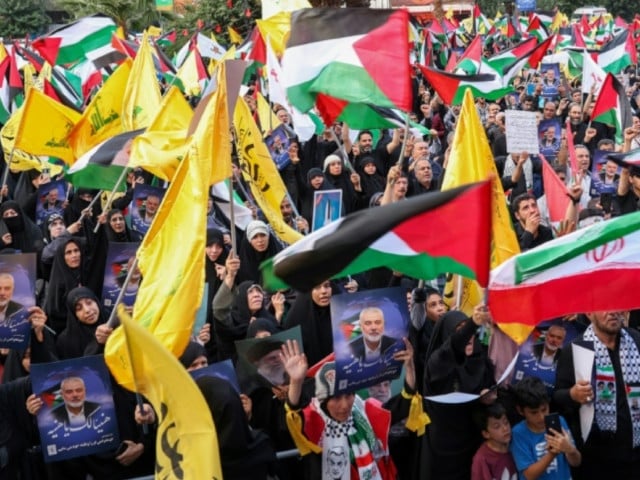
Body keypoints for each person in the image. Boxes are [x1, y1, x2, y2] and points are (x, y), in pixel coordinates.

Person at [282, 337, 424, 480]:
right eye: (336, 398)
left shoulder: (364, 411)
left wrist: (409, 366)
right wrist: (296, 382)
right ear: (323, 400)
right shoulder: (314, 422)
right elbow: (294, 416)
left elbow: (404, 402)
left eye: (349, 395)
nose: (344, 405)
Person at [554, 310, 640, 478]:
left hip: (636, 451)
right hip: (597, 456)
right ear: (589, 313)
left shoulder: (636, 340)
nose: (613, 312)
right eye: (605, 308)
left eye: (617, 306)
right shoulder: (575, 349)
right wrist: (573, 394)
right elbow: (557, 396)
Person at [510, 376, 581, 479]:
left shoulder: (559, 421)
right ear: (521, 411)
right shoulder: (518, 433)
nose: (541, 417)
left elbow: (576, 462)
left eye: (544, 409)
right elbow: (529, 475)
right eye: (534, 412)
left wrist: (570, 450)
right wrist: (552, 453)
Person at [471, 402, 517, 480]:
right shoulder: (482, 459)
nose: (505, 429)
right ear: (486, 434)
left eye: (506, 423)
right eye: (497, 426)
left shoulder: (516, 443)